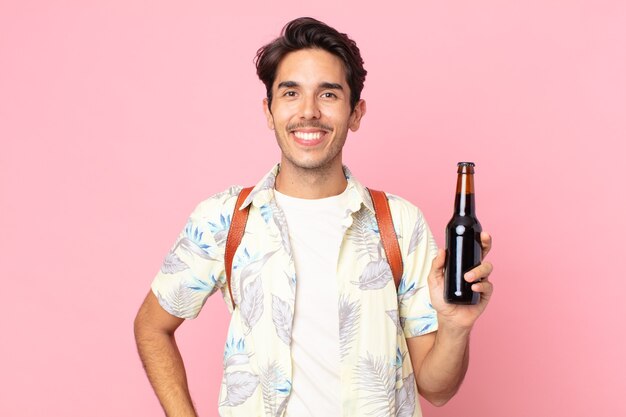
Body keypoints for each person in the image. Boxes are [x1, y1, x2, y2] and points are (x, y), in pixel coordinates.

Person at [134, 17, 494, 417]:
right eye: (290, 93)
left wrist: (456, 326)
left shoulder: (401, 224)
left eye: (328, 94)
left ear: (355, 113)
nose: (308, 112)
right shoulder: (223, 219)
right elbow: (152, 325)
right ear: (269, 111)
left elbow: (437, 389)